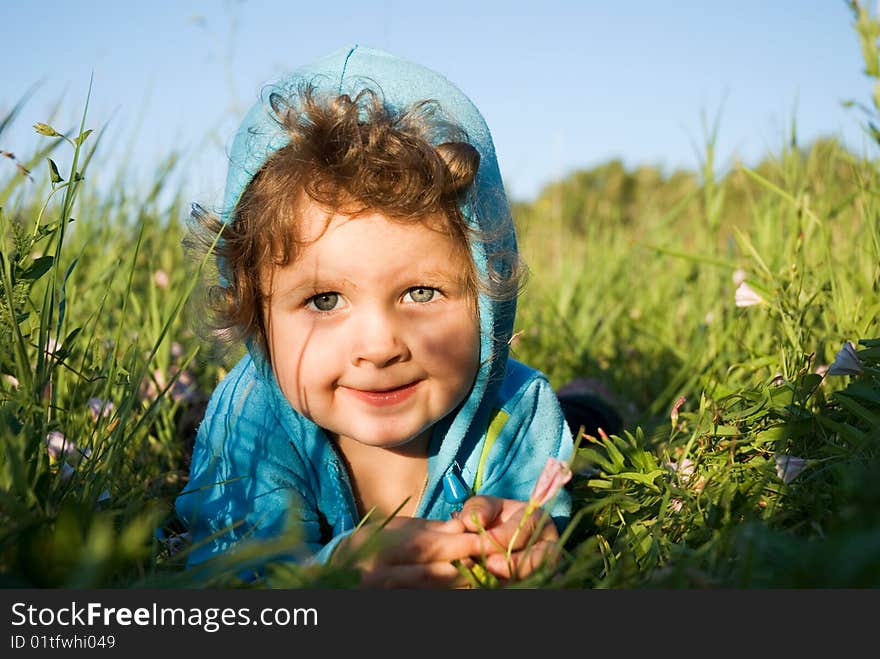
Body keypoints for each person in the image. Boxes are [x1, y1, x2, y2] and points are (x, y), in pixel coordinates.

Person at [174, 44, 574, 588]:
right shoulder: (251, 417)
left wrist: (527, 546)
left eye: (421, 293)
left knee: (592, 427)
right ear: (257, 313)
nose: (380, 346)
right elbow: (229, 577)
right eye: (324, 300)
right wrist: (331, 576)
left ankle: (592, 409)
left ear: (487, 296)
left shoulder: (518, 412)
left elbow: (537, 533)